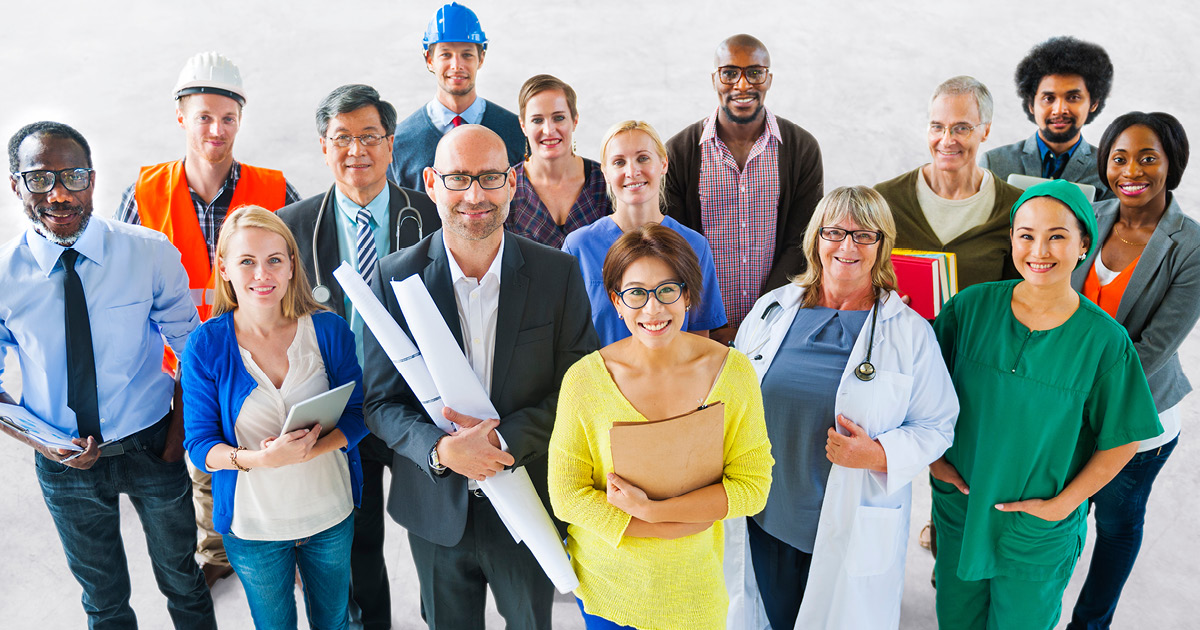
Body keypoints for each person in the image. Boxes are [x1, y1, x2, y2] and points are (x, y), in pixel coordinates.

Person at [363, 125, 598, 630]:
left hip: (528, 499)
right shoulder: (393, 276)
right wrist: (440, 450)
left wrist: (499, 441)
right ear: (431, 183)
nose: (474, 195)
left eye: (490, 177)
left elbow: (579, 391)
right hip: (435, 509)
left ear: (512, 182)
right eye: (458, 178)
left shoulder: (557, 273)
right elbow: (380, 403)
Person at [1, 121, 214, 628]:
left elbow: (195, 353)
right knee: (103, 600)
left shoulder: (148, 252)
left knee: (184, 582)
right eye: (39, 179)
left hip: (152, 446)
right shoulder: (3, 275)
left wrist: (176, 440)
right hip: (62, 460)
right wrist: (44, 443)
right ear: (15, 185)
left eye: (73, 176)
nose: (59, 194)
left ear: (92, 180)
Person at [929, 180, 1162, 630]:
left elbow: (1123, 438)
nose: (1039, 250)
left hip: (1036, 532)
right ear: (1012, 239)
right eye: (1026, 235)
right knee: (956, 619)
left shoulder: (1104, 342)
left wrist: (1063, 505)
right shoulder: (970, 309)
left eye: (1057, 236)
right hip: (963, 511)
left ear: (1083, 245)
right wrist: (935, 461)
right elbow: (923, 393)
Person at [731, 186, 958, 629]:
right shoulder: (771, 310)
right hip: (769, 516)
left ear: (882, 244)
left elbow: (937, 424)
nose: (847, 246)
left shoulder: (909, 332)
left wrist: (879, 454)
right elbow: (733, 397)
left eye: (864, 235)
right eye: (834, 232)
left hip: (853, 521)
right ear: (816, 238)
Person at [115, 50, 302, 586]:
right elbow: (119, 290)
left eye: (227, 117)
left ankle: (287, 547)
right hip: (176, 367)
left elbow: (298, 276)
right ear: (181, 117)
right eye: (203, 117)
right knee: (203, 466)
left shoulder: (275, 191)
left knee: (272, 456)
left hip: (260, 358)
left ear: (240, 119)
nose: (216, 129)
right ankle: (219, 555)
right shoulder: (143, 195)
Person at [550, 223, 773, 630]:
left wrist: (654, 511)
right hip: (607, 590)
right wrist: (662, 525)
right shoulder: (584, 380)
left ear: (688, 295)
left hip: (694, 592)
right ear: (616, 302)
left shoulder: (733, 373)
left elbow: (753, 487)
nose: (652, 310)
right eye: (636, 293)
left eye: (667, 290)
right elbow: (567, 496)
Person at [277, 82, 440, 630]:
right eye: (342, 138)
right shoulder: (293, 226)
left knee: (434, 536)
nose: (356, 150)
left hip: (421, 407)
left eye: (370, 136)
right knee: (357, 544)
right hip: (341, 408)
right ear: (323, 147)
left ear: (391, 144)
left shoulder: (434, 214)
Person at [181, 206, 368, 630]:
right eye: (247, 261)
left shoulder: (329, 331)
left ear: (291, 266)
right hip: (254, 528)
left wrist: (311, 450)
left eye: (274, 260)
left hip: (329, 513)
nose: (262, 274)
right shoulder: (206, 346)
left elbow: (358, 415)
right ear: (224, 269)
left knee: (334, 622)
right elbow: (200, 447)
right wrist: (263, 460)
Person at [1067, 112, 1197, 629]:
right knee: (1063, 511)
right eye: (1119, 158)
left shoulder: (1190, 246)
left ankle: (1090, 624)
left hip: (1140, 417)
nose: (1131, 171)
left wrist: (1069, 391)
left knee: (1118, 524)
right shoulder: (1087, 216)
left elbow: (1153, 348)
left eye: (1148, 158)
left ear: (1171, 164)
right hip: (1068, 406)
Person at [664, 33, 824, 345]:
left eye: (754, 72)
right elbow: (678, 248)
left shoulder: (801, 148)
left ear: (769, 79)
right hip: (701, 328)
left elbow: (801, 243)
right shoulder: (679, 152)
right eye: (729, 73)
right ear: (714, 79)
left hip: (778, 326)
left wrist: (761, 320)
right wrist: (710, 321)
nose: (742, 85)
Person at [564, 120, 725, 345]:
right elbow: (565, 335)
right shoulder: (579, 247)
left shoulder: (694, 245)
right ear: (606, 173)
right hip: (598, 369)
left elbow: (699, 339)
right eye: (619, 162)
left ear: (663, 163)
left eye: (643, 158)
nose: (632, 172)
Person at [876, 75, 1024, 290]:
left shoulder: (1016, 207)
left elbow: (1018, 295)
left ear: (986, 131)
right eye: (937, 127)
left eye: (962, 128)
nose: (946, 140)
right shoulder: (885, 200)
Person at [388, 2, 524, 192]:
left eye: (467, 55)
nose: (456, 65)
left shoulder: (517, 133)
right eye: (446, 55)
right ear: (430, 60)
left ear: (481, 58)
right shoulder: (400, 142)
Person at [981, 36, 1115, 200]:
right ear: (1031, 105)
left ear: (1093, 103)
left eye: (1073, 97)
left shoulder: (1108, 169)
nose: (1059, 110)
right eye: (1048, 98)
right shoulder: (994, 163)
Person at [505, 74, 609, 248]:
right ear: (523, 126)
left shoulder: (605, 180)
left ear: (574, 120)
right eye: (537, 120)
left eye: (558, 118)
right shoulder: (506, 187)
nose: (548, 130)